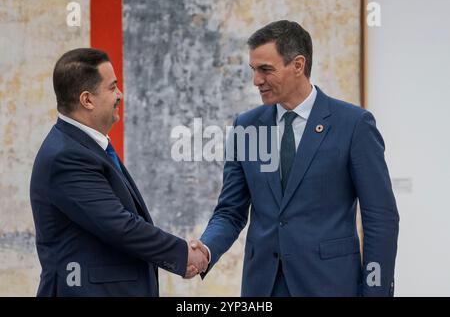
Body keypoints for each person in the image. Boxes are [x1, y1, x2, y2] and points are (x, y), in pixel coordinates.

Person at [191, 20, 399, 296]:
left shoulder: (354, 124)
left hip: (330, 285)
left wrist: (376, 291)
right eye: (254, 70)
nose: (256, 81)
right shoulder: (246, 127)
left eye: (266, 70)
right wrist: (206, 248)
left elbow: (380, 219)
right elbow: (230, 211)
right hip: (263, 289)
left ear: (298, 65)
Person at [30, 48, 207, 296]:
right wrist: (182, 254)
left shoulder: (86, 145)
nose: (120, 94)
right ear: (87, 100)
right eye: (112, 87)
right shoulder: (66, 157)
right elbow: (119, 225)